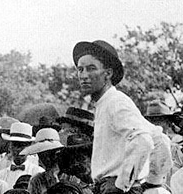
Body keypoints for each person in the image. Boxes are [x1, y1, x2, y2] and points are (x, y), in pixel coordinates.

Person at [73, 40, 172, 193]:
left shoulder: (115, 102)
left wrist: (122, 184)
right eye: (80, 69)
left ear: (108, 73)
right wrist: (150, 183)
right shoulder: (104, 103)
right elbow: (160, 139)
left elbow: (144, 140)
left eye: (91, 69)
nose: (84, 75)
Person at [0, 122, 43, 188]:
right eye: (15, 145)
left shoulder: (38, 173)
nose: (18, 149)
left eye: (22, 145)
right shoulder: (1, 175)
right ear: (10, 146)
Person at [20, 128, 64, 194]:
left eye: (51, 154)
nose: (47, 159)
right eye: (43, 156)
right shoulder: (37, 180)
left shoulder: (70, 176)